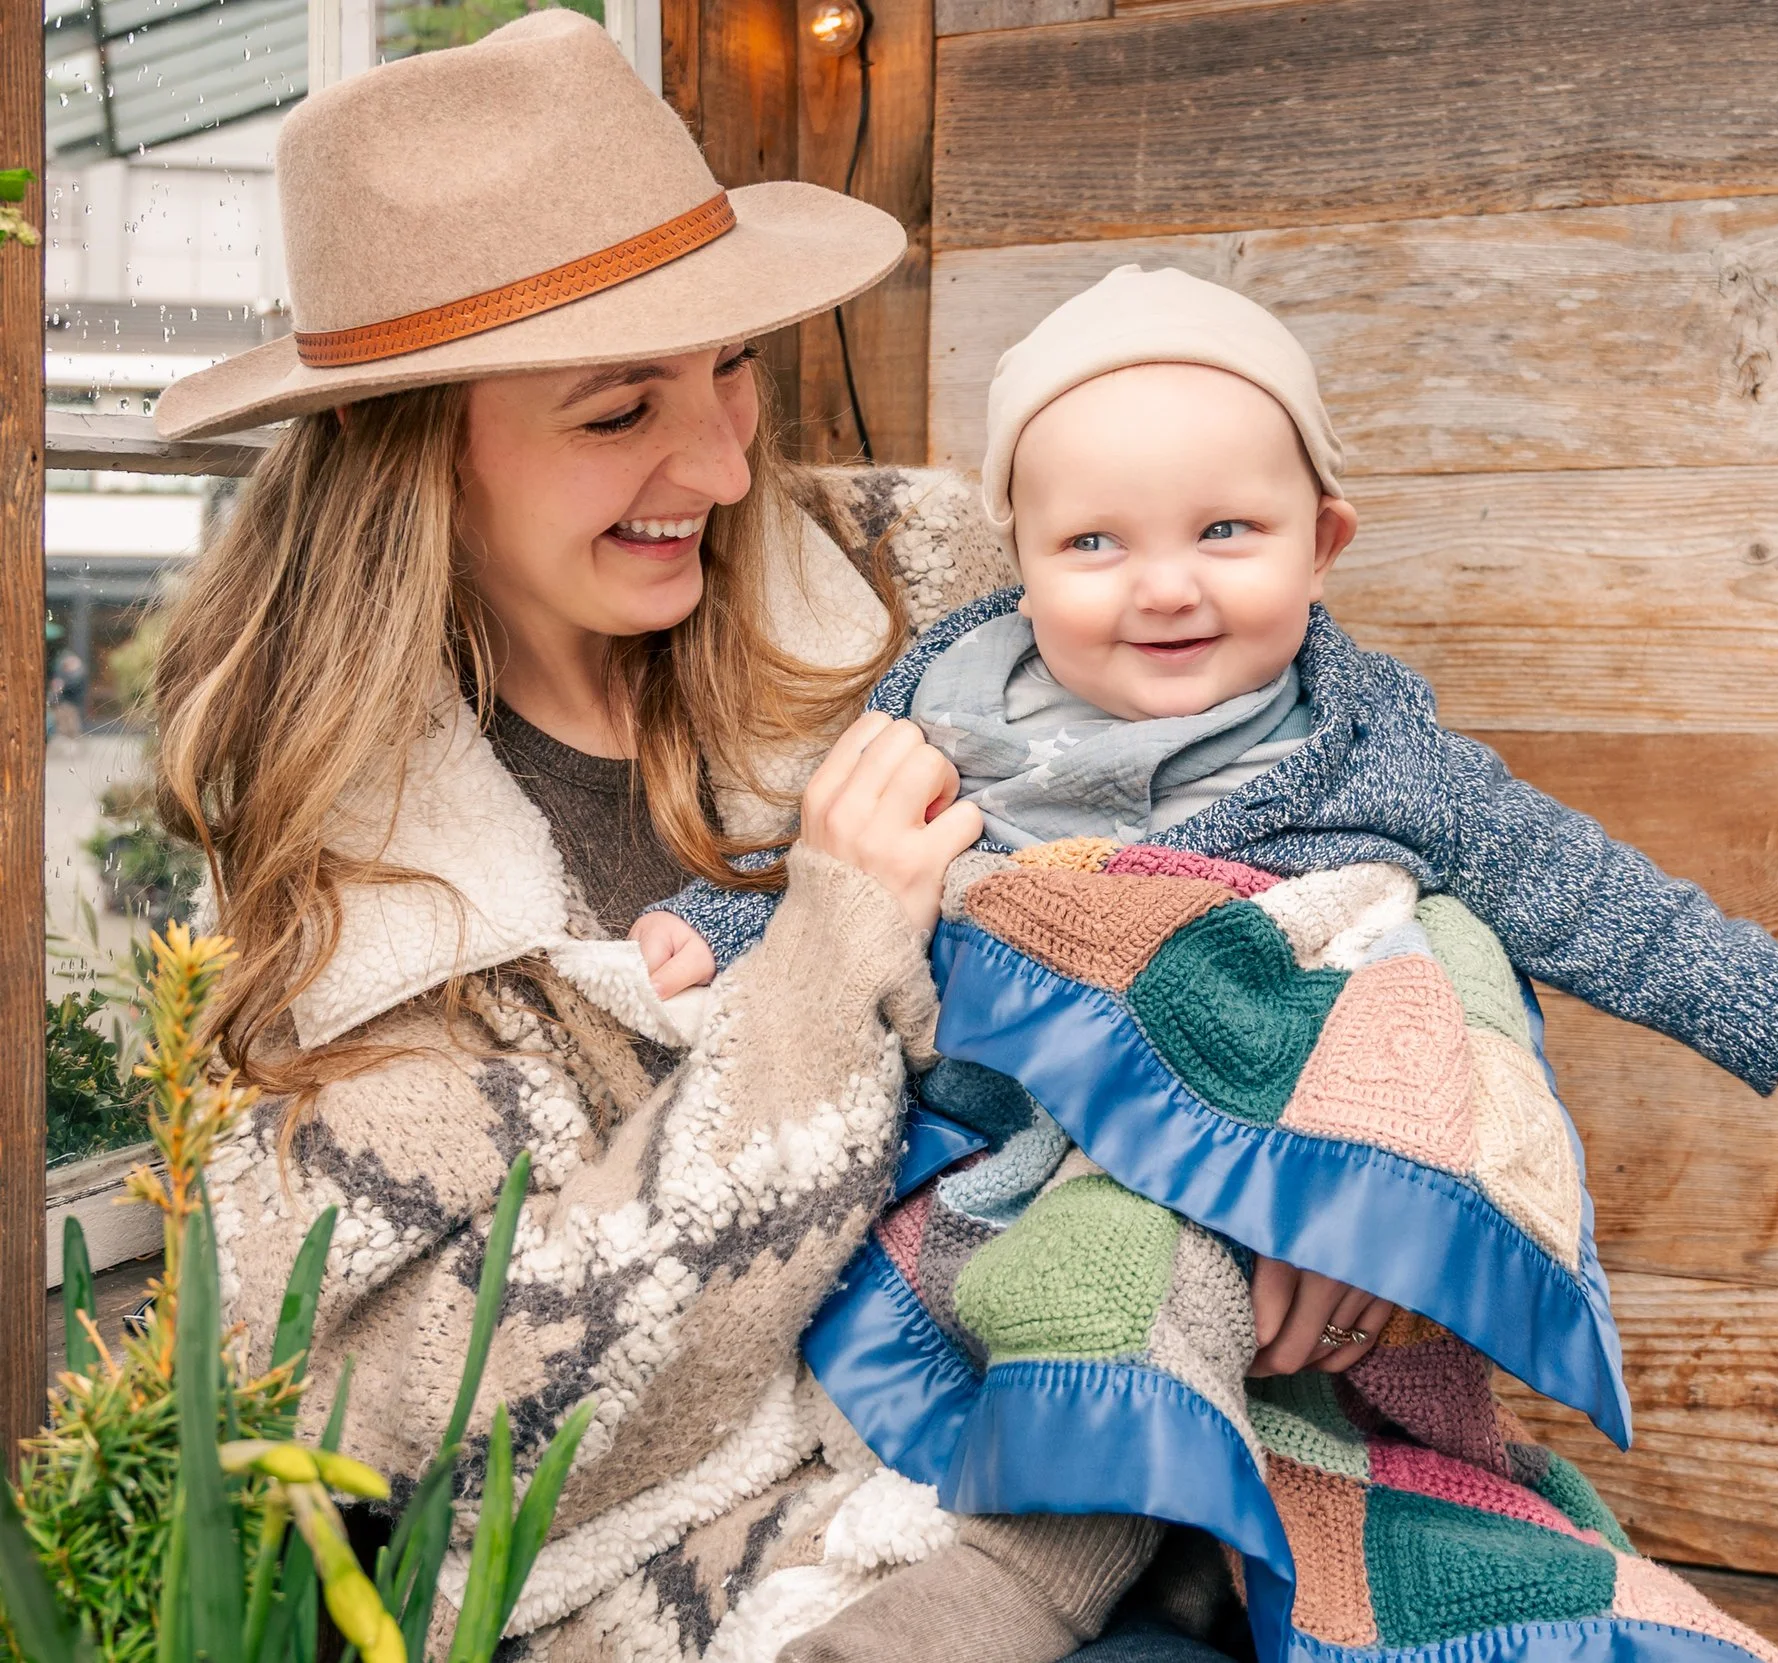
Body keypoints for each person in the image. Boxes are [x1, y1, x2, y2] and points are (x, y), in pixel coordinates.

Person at [149, 15, 1319, 1660]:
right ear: (406, 447)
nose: (721, 459)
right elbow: (450, 1430)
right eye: (620, 408)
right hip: (759, 1585)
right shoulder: (339, 887)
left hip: (1179, 1443)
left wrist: (1346, 1195)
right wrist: (827, 970)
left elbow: (1319, 802)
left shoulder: (939, 571)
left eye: (733, 365)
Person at [631, 266, 1778, 1658]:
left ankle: (1021, 1590)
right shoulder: (952, 710)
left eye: (1227, 529)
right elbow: (842, 868)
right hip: (1003, 1153)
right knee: (1078, 1264)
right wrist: (720, 927)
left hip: (1242, 1170)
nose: (1165, 588)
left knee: (1141, 1262)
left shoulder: (1371, 750)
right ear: (1016, 551)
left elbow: (1572, 883)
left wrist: (1763, 1003)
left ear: (1322, 540)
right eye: (1095, 543)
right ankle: (1023, 1566)